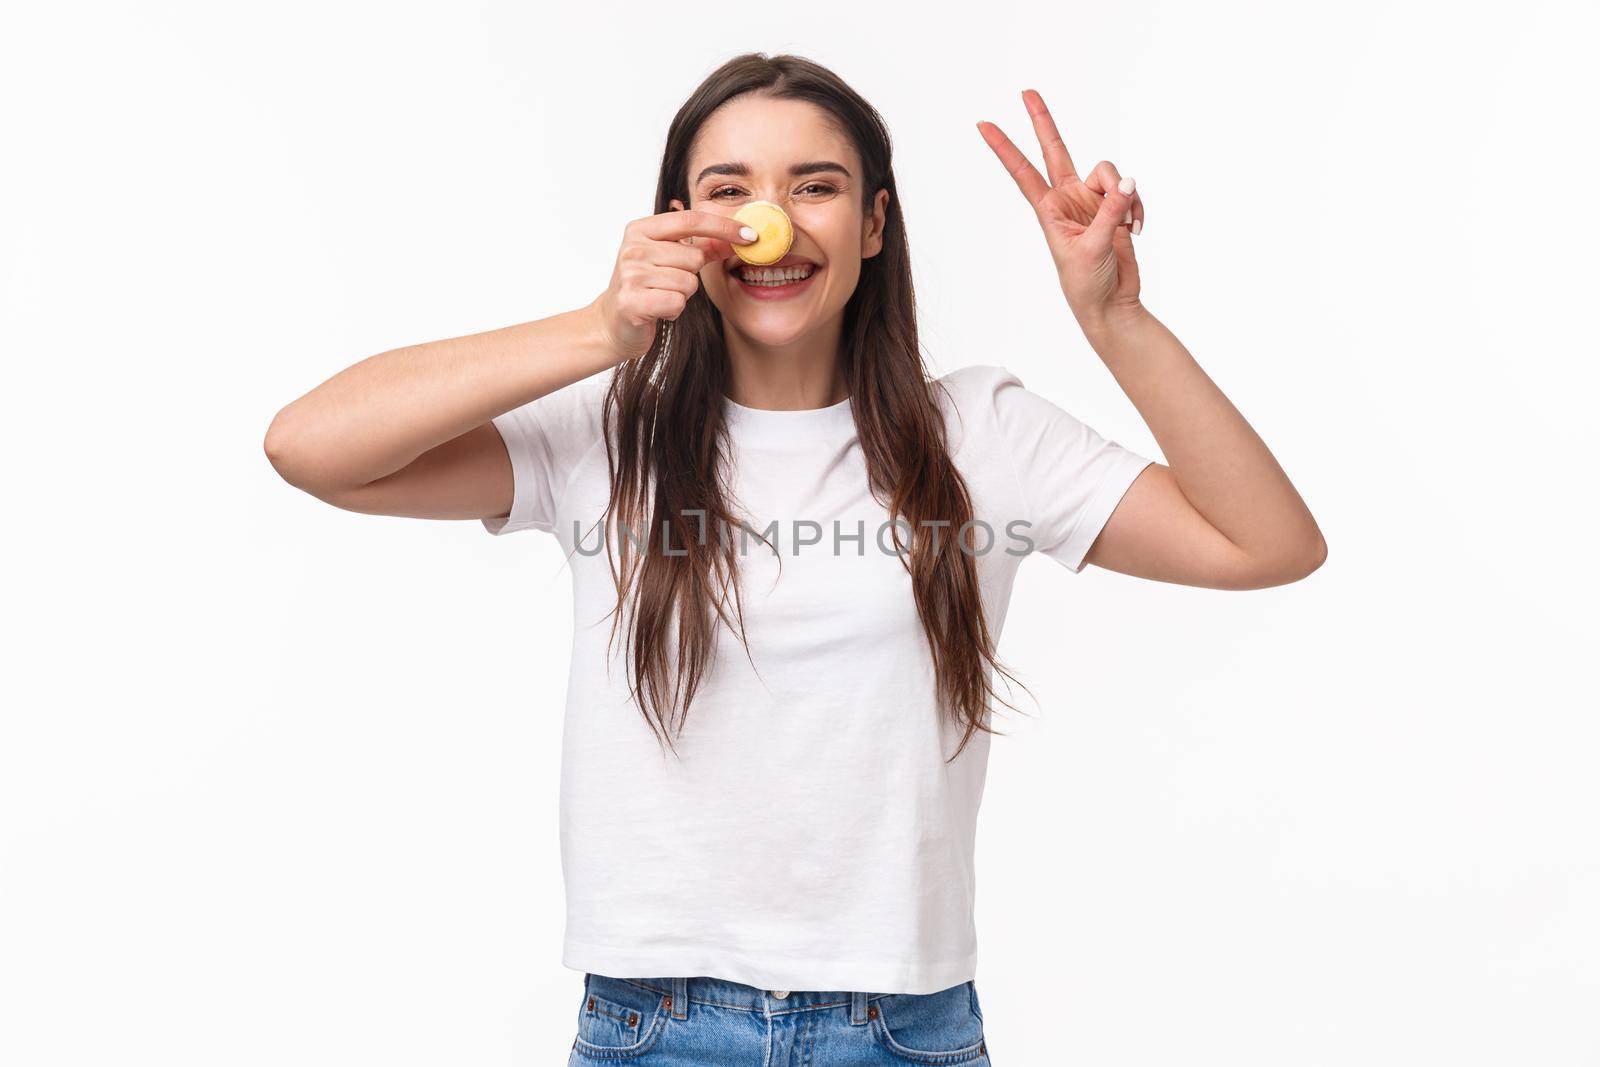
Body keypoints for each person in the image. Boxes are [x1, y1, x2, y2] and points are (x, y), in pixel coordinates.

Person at [264, 51, 1325, 1067]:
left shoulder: (981, 435)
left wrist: (1116, 318)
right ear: (680, 226)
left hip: (903, 1025)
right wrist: (598, 327)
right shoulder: (605, 433)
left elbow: (1266, 543)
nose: (770, 219)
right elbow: (310, 447)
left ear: (871, 225)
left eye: (814, 186)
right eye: (728, 189)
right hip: (654, 1019)